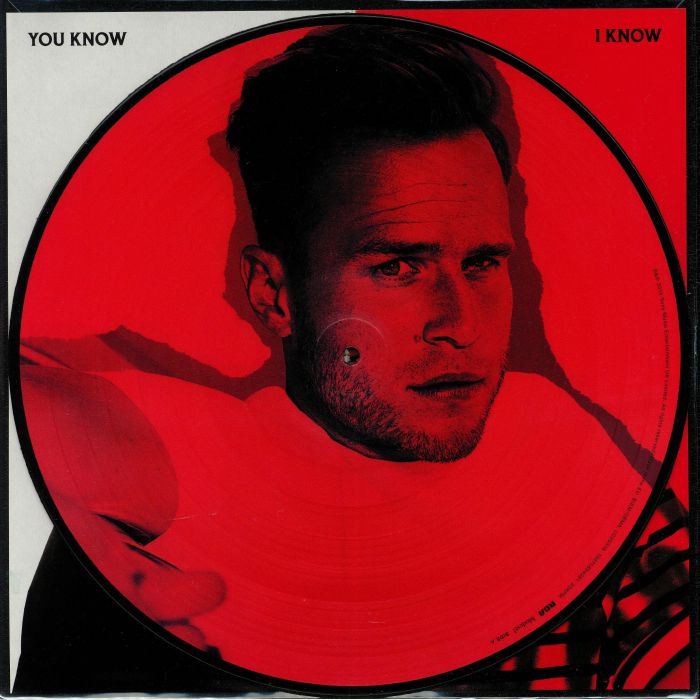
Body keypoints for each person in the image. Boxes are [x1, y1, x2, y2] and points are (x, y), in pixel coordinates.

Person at [15, 22, 689, 692]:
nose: (459, 325)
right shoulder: (201, 465)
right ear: (274, 294)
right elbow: (57, 415)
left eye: (482, 263)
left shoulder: (568, 448)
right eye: (397, 267)